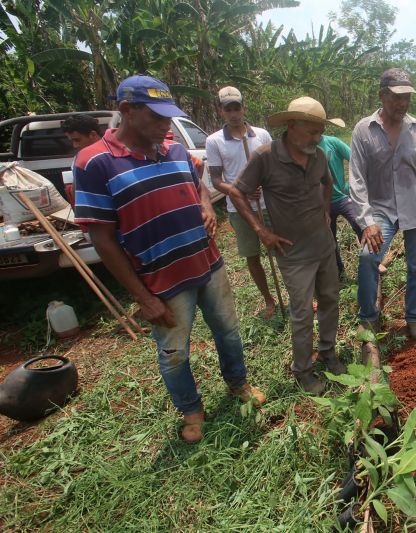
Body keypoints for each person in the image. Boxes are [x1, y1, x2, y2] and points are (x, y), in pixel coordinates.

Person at [73, 75, 265, 444]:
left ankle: (237, 383)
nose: (166, 124)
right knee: (175, 351)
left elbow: (198, 185)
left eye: (168, 116)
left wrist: (206, 205)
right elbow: (102, 239)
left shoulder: (174, 148)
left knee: (227, 330)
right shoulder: (94, 162)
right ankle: (191, 409)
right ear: (127, 111)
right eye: (157, 116)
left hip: (206, 262)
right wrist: (143, 298)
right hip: (160, 279)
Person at [229, 96, 346, 395]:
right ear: (292, 126)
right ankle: (303, 370)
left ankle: (329, 352)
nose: (317, 138)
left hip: (323, 245)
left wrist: (324, 211)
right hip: (292, 252)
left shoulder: (318, 155)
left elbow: (328, 183)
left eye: (320, 132)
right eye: (312, 131)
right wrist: (261, 231)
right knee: (303, 313)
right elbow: (238, 193)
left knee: (331, 299)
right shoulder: (265, 157)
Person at [349, 68, 416, 340]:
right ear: (382, 96)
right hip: (381, 208)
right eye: (396, 98)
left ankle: (413, 317)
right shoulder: (364, 130)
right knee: (368, 257)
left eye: (407, 98)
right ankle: (368, 316)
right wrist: (367, 222)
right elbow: (356, 179)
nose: (402, 104)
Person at [205, 86, 277, 319]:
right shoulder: (214, 141)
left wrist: (264, 185)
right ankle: (269, 300)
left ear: (244, 108)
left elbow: (276, 168)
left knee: (281, 251)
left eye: (237, 108)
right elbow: (216, 181)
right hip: (239, 209)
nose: (234, 113)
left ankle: (296, 295)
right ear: (221, 112)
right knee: (252, 256)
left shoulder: (262, 135)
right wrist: (241, 191)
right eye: (229, 109)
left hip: (269, 205)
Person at [319, 133, 362, 279]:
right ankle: (339, 272)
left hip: (341, 197)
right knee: (329, 239)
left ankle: (373, 261)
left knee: (360, 223)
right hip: (320, 204)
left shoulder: (332, 142)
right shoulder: (303, 148)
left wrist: (352, 185)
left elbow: (356, 160)